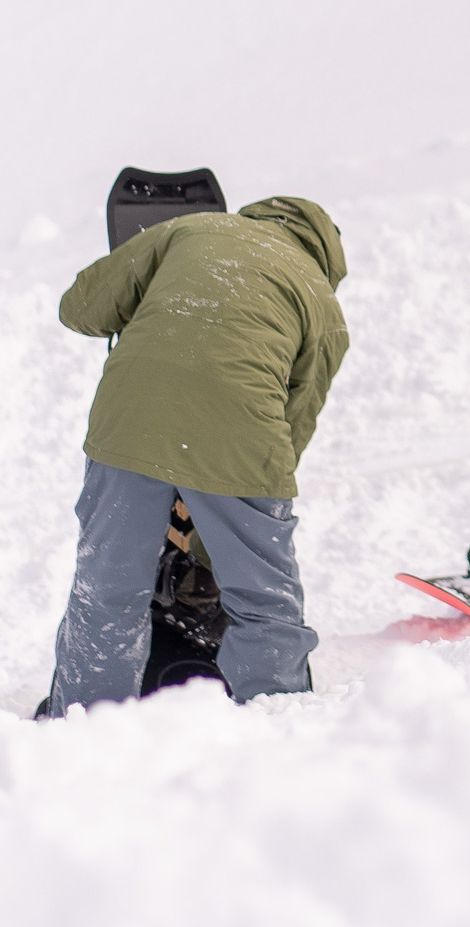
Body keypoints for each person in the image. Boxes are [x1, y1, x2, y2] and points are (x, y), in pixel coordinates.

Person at [39, 197, 350, 714]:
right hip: (242, 435)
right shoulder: (321, 302)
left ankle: (81, 723)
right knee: (264, 603)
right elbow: (292, 429)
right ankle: (283, 721)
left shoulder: (191, 229)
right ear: (325, 257)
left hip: (131, 417)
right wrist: (214, 539)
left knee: (109, 588)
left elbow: (81, 307)